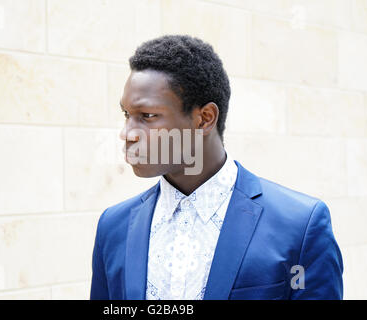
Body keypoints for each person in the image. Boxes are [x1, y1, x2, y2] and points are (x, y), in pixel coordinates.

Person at [90, 35, 343, 300]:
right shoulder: (113, 227)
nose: (127, 133)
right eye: (127, 115)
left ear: (204, 119)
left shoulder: (300, 226)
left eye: (147, 116)